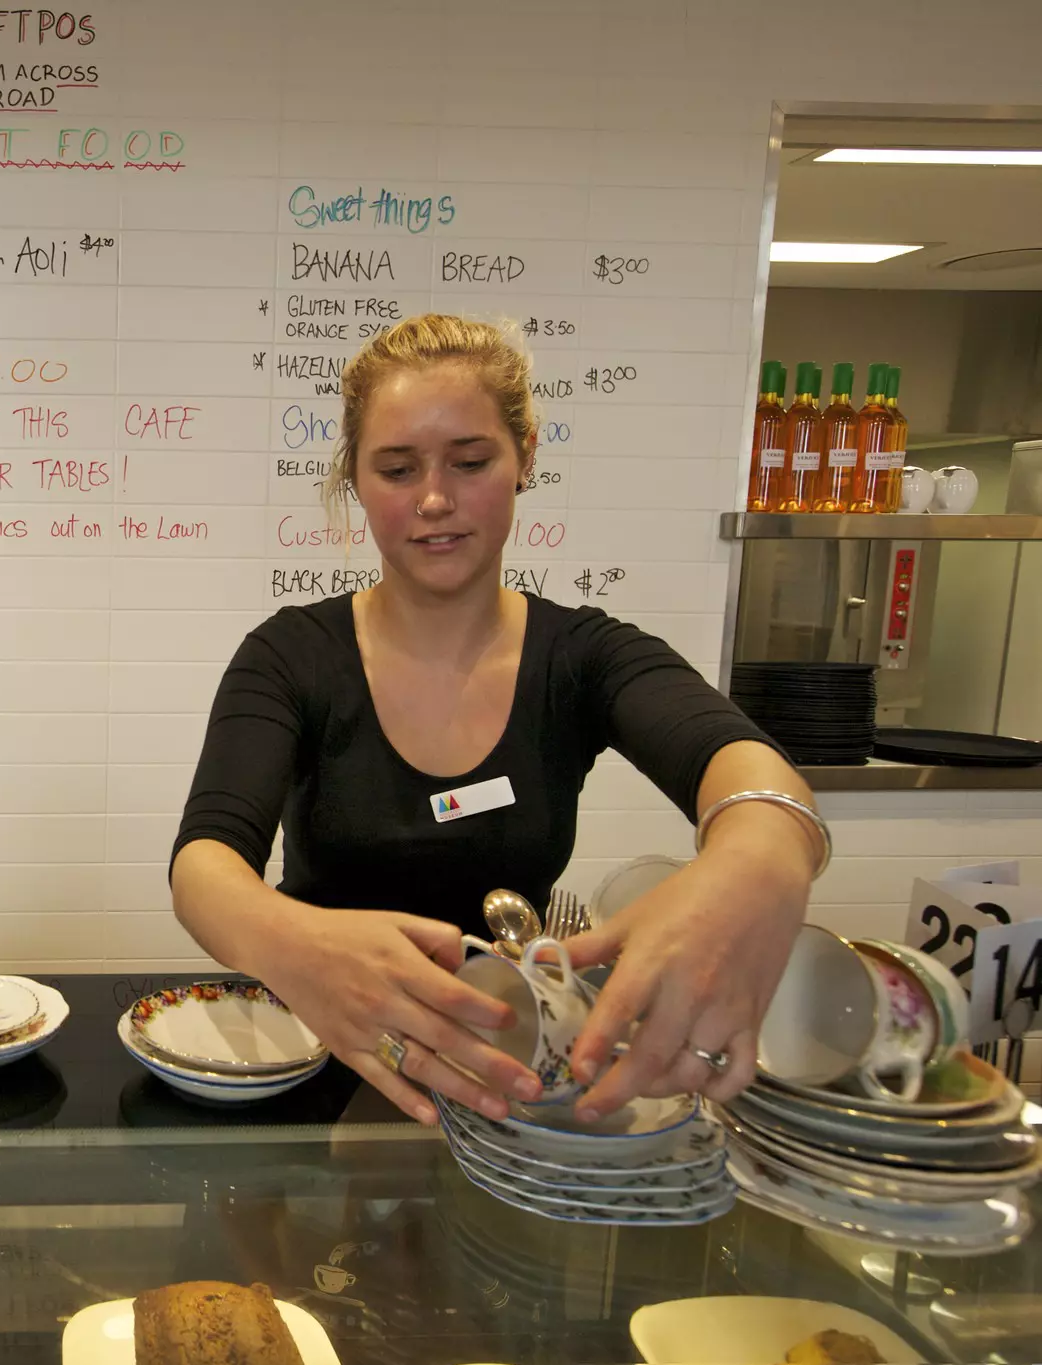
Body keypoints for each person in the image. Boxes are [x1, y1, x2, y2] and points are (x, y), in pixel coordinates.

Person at [170, 315, 824, 1129]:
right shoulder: (291, 655)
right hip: (323, 1060)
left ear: (525, 458)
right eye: (398, 469)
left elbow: (744, 767)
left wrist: (763, 853)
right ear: (356, 478)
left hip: (514, 1077)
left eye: (471, 461)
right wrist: (290, 940)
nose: (435, 500)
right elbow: (204, 866)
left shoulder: (583, 657)